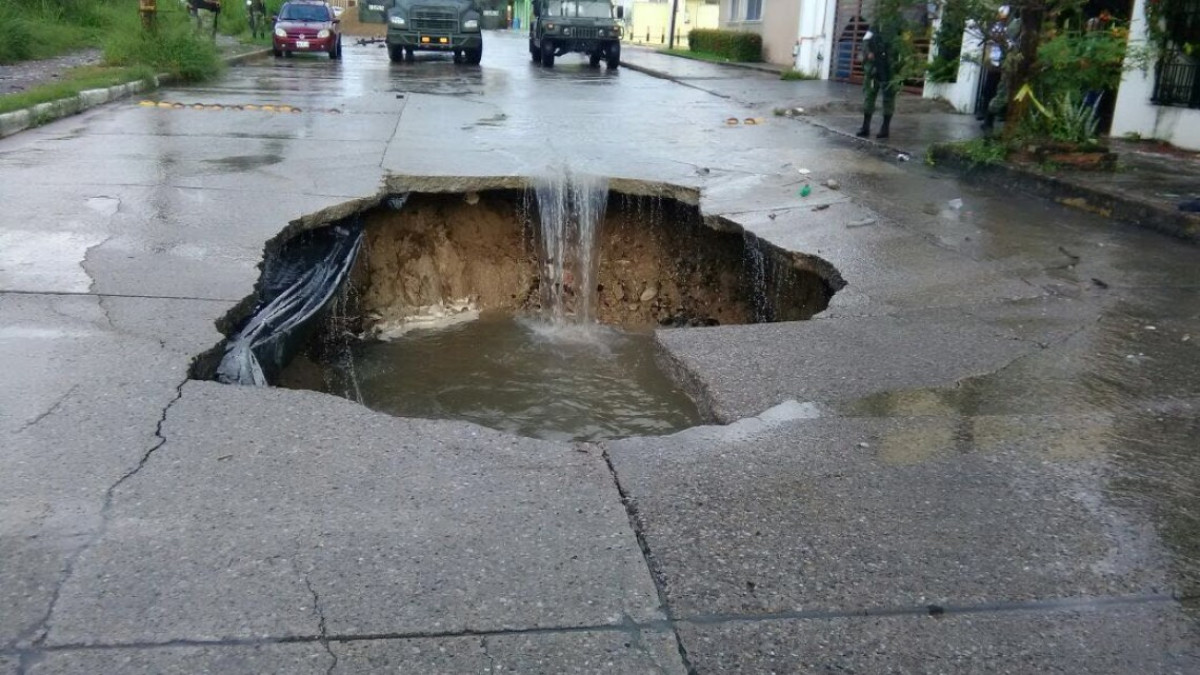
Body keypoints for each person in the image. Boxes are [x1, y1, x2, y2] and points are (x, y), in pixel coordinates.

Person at [856, 18, 901, 140]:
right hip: (873, 67)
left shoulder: (898, 23)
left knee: (888, 97)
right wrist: (868, 52)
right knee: (869, 95)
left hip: (889, 68)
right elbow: (865, 41)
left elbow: (902, 47)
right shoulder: (875, 25)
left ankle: (885, 128)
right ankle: (865, 127)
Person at [981, 6, 1021, 132]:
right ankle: (988, 119)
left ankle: (994, 118)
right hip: (1003, 62)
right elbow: (1000, 42)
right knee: (997, 91)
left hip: (1010, 62)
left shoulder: (1019, 24)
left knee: (1005, 92)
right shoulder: (1010, 25)